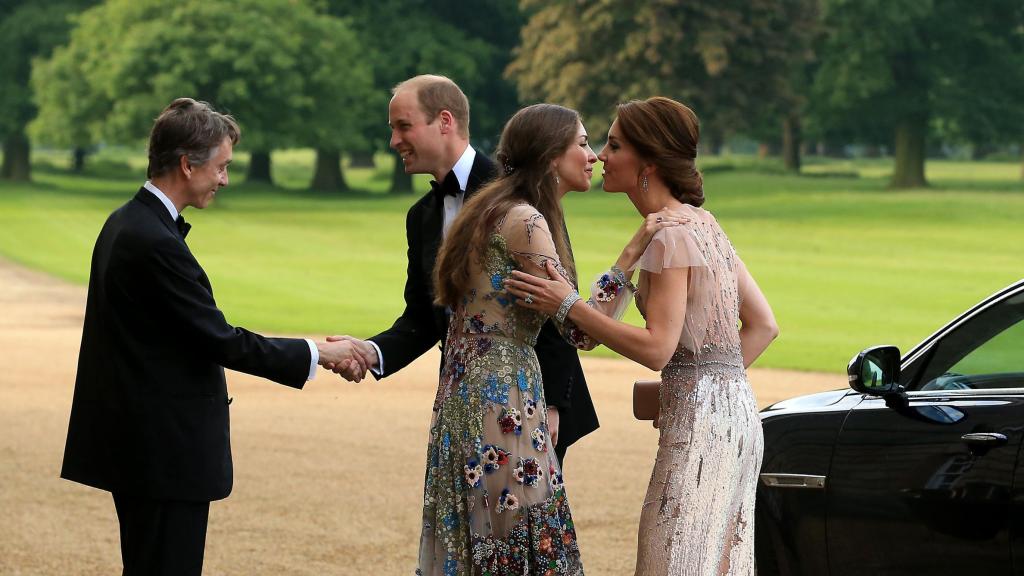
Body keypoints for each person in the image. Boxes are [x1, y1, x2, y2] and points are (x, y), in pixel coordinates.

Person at [60, 98, 370, 576]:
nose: (225, 179)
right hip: (162, 452)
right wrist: (319, 353)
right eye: (221, 166)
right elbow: (220, 339)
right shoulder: (151, 240)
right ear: (188, 164)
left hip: (145, 448)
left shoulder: (128, 222)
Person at [504, 97, 779, 575]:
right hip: (738, 422)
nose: (601, 156)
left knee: (669, 560)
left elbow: (657, 349)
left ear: (648, 163)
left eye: (613, 145)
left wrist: (565, 303)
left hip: (700, 431)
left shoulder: (671, 237)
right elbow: (763, 326)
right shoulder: (702, 225)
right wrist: (702, 386)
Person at [329, 75, 598, 464]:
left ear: (444, 121)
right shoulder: (421, 215)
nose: (393, 141)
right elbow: (423, 317)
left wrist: (554, 402)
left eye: (403, 126)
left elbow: (554, 297)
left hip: (530, 400)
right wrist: (369, 352)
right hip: (462, 397)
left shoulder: (514, 194)